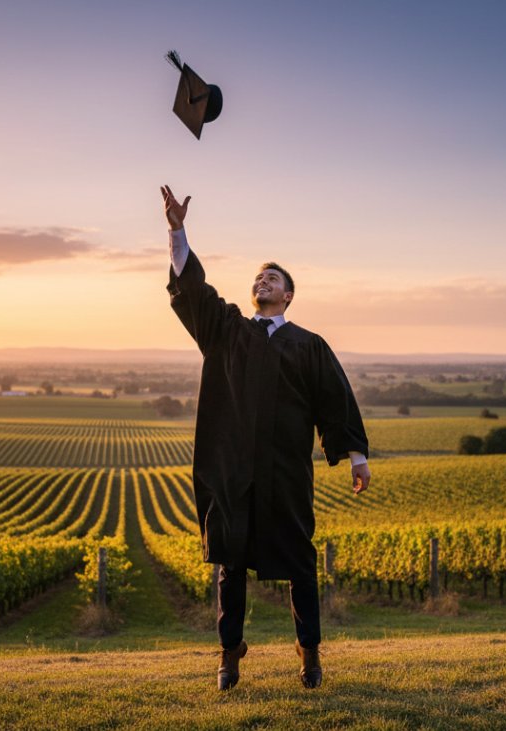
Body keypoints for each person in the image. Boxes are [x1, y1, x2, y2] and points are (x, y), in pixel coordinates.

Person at [160, 184, 371, 690]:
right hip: (232, 470)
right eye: (259, 275)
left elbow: (335, 401)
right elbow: (193, 290)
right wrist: (177, 230)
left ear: (288, 294)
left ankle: (309, 653)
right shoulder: (227, 330)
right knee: (230, 564)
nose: (264, 279)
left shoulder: (309, 345)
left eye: (273, 276)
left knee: (300, 562)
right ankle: (230, 653)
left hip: (284, 474)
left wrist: (357, 456)